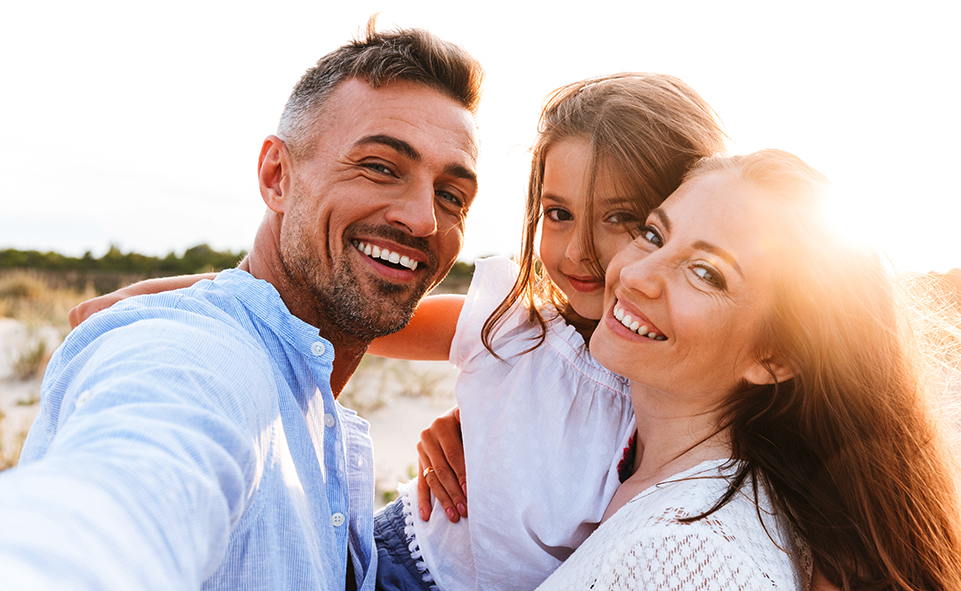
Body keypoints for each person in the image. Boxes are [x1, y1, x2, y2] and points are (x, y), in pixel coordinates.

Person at [70, 73, 727, 591]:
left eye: (621, 218)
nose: (578, 252)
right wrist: (154, 296)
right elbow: (328, 310)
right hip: (399, 563)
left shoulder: (685, 389)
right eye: (556, 213)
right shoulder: (515, 322)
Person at [0, 21, 485, 591]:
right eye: (379, 166)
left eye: (452, 195)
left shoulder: (304, 389)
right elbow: (125, 487)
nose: (424, 218)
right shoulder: (200, 360)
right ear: (277, 177)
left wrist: (505, 420)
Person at [536, 149, 961, 590]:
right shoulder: (628, 464)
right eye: (654, 235)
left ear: (774, 358)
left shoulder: (686, 555)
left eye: (706, 273)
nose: (637, 274)